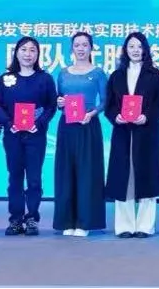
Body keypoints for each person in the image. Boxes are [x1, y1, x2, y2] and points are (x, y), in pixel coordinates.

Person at [104, 32, 159, 238]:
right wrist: (116, 116)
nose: (135, 50)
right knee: (124, 177)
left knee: (147, 176)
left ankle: (145, 226)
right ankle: (124, 226)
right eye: (131, 46)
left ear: (145, 49)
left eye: (139, 46)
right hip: (122, 131)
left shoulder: (155, 75)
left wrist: (147, 117)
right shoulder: (116, 75)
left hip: (147, 132)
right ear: (125, 50)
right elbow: (109, 105)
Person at [0, 36, 58, 236]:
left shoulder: (45, 78)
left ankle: (32, 218)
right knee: (14, 177)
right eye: (24, 49)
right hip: (12, 135)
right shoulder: (5, 79)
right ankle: (15, 219)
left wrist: (39, 123)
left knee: (34, 179)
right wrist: (8, 123)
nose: (28, 54)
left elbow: (51, 106)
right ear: (16, 52)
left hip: (35, 136)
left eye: (32, 50)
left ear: (38, 54)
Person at [53, 32, 108, 237]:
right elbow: (60, 100)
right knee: (66, 172)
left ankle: (85, 222)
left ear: (91, 48)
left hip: (88, 126)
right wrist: (59, 103)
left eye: (85, 45)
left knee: (87, 173)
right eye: (77, 45)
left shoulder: (98, 73)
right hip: (67, 126)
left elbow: (105, 101)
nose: (81, 48)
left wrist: (92, 113)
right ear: (72, 48)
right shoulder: (63, 73)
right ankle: (67, 221)